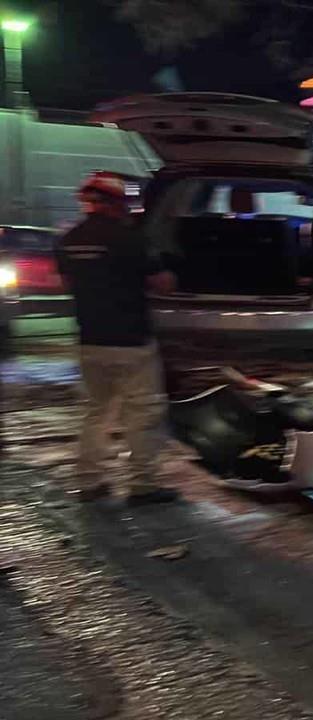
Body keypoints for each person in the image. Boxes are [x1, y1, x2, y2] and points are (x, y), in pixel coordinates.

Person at [57, 171, 180, 504]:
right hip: (131, 341)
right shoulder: (130, 239)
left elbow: (67, 285)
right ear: (116, 203)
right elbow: (163, 284)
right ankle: (142, 484)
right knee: (142, 413)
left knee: (96, 411)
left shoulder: (68, 240)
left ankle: (89, 482)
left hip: (90, 340)